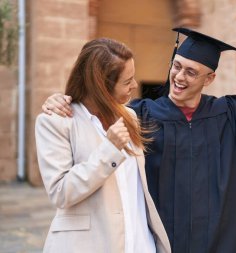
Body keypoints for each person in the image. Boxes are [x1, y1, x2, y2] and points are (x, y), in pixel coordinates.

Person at [42, 28, 236, 253]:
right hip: (161, 240)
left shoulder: (228, 113)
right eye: (177, 66)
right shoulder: (140, 114)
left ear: (210, 78)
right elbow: (95, 108)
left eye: (191, 72)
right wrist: (64, 100)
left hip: (218, 241)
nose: (179, 77)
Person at [35, 38, 171, 253]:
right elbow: (61, 193)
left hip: (140, 245)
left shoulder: (130, 117)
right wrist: (110, 149)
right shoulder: (55, 122)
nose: (135, 86)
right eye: (127, 81)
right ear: (101, 86)